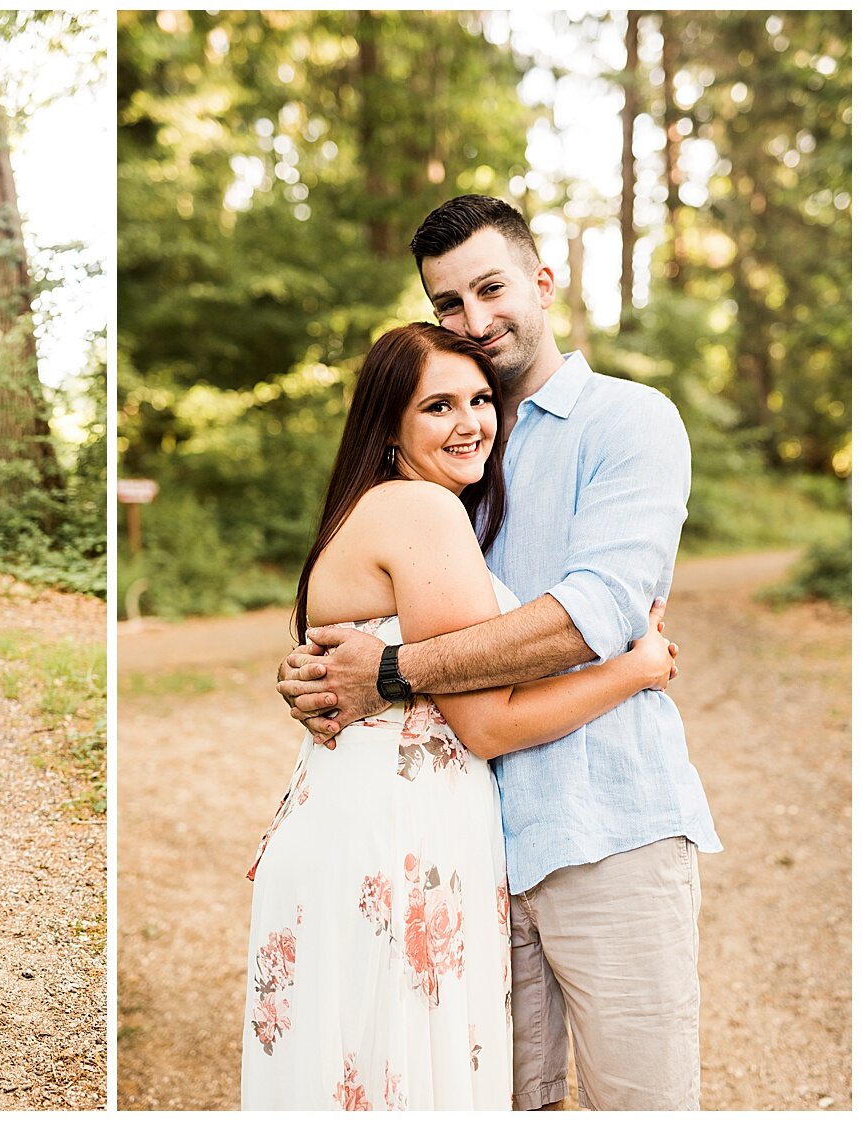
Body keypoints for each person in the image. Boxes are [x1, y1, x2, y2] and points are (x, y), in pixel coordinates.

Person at [277, 196, 721, 1110]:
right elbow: (388, 600)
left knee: (639, 1101)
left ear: (543, 283)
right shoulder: (454, 455)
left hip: (605, 826)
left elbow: (591, 615)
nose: (475, 322)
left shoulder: (629, 423)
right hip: (471, 850)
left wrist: (391, 673)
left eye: (491, 288)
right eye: (449, 303)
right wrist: (330, 663)